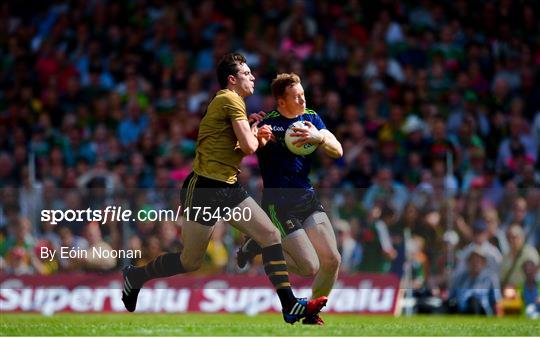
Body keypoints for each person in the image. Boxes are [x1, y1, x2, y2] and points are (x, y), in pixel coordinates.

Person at [120, 53, 327, 324]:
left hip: (228, 186)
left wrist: (253, 130)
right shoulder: (229, 99)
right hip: (204, 188)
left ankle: (289, 305)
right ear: (232, 79)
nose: (252, 77)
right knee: (190, 261)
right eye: (247, 73)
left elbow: (239, 145)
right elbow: (250, 147)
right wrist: (257, 134)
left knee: (270, 234)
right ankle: (135, 276)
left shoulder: (234, 104)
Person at [236, 73, 343, 325]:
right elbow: (243, 148)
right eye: (297, 97)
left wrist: (318, 137)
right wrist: (252, 132)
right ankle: (262, 245)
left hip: (307, 198)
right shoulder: (268, 124)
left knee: (333, 260)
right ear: (281, 101)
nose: (303, 99)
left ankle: (311, 313)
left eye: (303, 94)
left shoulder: (311, 119)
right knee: (309, 267)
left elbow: (337, 149)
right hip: (279, 204)